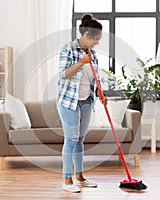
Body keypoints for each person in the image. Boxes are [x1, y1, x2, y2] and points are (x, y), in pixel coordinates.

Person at [57, 14, 108, 193]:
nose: (97, 43)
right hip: (69, 102)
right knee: (70, 140)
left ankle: (79, 177)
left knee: (80, 140)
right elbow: (64, 74)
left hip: (86, 100)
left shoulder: (92, 53)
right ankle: (67, 180)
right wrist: (80, 62)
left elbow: (95, 77)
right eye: (96, 39)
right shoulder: (68, 49)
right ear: (86, 34)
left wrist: (100, 92)